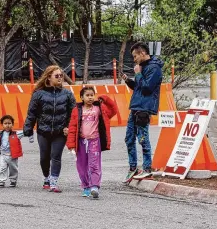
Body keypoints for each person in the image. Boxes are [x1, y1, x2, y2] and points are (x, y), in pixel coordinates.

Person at [23, 65, 76, 193]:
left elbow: (74, 114)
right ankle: (46, 177)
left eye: (61, 75)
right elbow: (32, 113)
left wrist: (69, 128)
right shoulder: (38, 94)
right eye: (56, 76)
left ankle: (54, 182)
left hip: (60, 132)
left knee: (56, 156)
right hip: (43, 131)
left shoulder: (68, 94)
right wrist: (28, 129)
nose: (60, 78)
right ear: (48, 78)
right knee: (44, 158)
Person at [121, 41, 163, 183]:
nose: (134, 60)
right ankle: (133, 167)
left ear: (143, 53)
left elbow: (147, 89)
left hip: (144, 108)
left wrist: (138, 74)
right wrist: (129, 81)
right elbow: (139, 87)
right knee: (129, 139)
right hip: (135, 107)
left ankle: (147, 169)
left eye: (135, 56)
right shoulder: (143, 67)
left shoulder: (154, 68)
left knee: (143, 139)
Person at [66, 86, 117, 199]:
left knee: (94, 165)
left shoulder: (99, 109)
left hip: (94, 141)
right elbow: (73, 127)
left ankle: (94, 186)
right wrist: (70, 145)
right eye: (87, 95)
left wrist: (106, 99)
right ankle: (86, 186)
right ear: (81, 97)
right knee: (82, 166)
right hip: (81, 142)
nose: (90, 97)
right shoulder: (77, 110)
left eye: (91, 95)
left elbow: (114, 110)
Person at [0, 115, 32, 188]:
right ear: (2, 125)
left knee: (13, 168)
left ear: (12, 124)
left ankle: (13, 180)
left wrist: (30, 135)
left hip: (12, 155)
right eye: (5, 123)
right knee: (2, 168)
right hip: (3, 155)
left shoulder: (16, 134)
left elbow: (26, 132)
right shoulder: (0, 134)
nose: (7, 125)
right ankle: (1, 181)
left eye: (9, 123)